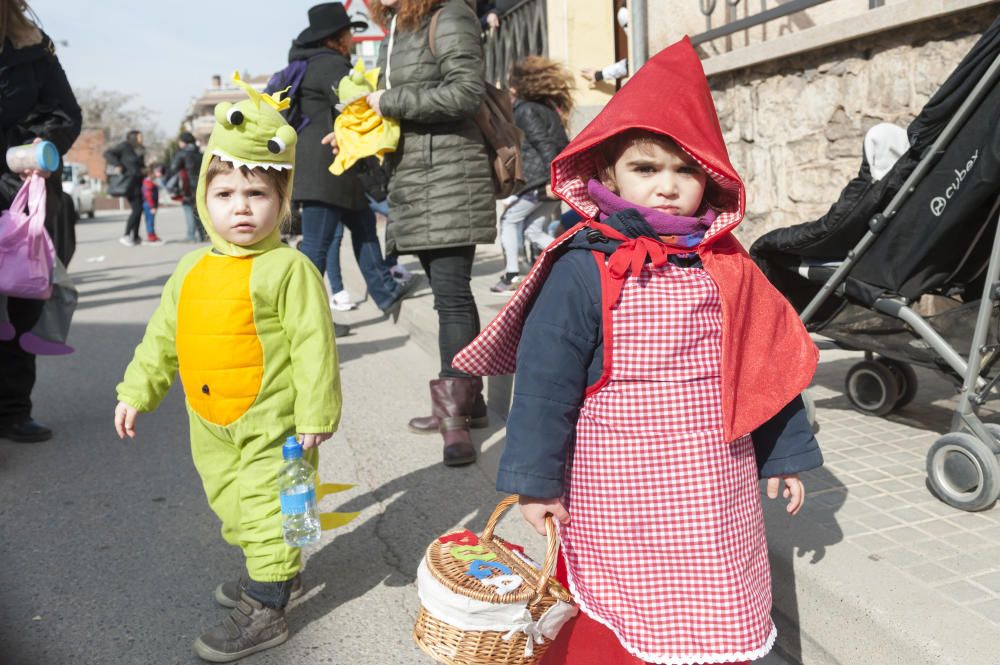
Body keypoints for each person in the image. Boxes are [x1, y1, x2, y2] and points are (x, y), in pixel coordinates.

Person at [452, 39, 822, 665]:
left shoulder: (727, 263)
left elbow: (763, 365)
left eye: (686, 170)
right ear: (607, 175)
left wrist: (782, 453)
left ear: (711, 177)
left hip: (713, 486)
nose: (669, 187)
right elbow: (546, 385)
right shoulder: (584, 264)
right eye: (646, 169)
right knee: (617, 615)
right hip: (615, 490)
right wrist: (536, 484)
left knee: (713, 604)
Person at [114, 81, 340, 661]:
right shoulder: (191, 267)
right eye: (225, 193)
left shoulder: (288, 268)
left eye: (257, 193)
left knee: (269, 505)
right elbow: (164, 335)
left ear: (281, 199)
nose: (240, 206)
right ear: (204, 200)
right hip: (210, 421)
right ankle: (276, 570)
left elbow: (314, 344)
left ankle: (267, 608)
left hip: (275, 424)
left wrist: (315, 411)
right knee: (232, 503)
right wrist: (137, 390)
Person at [362, 0, 496, 466]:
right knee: (450, 296)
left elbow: (465, 93)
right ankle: (470, 403)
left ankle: (453, 421)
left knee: (452, 296)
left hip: (448, 177)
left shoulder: (450, 15)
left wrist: (389, 102)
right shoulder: (400, 24)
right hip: (416, 179)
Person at [289, 3, 416, 316]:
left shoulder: (311, 64)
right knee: (317, 247)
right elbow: (354, 104)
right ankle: (298, 317)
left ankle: (385, 292)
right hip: (327, 167)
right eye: (348, 31)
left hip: (338, 168)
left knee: (364, 228)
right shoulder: (330, 65)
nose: (351, 37)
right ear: (337, 36)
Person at [0, 0, 81, 443]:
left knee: (18, 305)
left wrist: (40, 144)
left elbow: (66, 112)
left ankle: (13, 410)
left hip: (20, 195)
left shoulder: (33, 47)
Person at [491, 55, 573, 294]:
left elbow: (544, 145)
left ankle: (512, 276)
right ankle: (568, 262)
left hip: (541, 180)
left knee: (509, 220)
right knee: (532, 230)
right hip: (549, 178)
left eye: (511, 83)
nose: (509, 87)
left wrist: (552, 180)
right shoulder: (546, 108)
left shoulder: (526, 110)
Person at [104, 129, 146, 246]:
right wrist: (118, 164)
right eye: (139, 137)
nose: (142, 139)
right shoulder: (124, 147)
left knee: (139, 209)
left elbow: (139, 165)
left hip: (138, 182)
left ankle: (136, 236)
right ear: (133, 137)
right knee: (137, 209)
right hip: (129, 183)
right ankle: (126, 235)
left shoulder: (139, 149)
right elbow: (108, 153)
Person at [168, 131, 206, 242]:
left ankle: (191, 235)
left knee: (188, 208)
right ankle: (202, 235)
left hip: (186, 187)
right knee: (198, 210)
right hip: (200, 184)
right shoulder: (200, 153)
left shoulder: (182, 153)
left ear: (184, 142)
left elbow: (173, 168)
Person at [140, 164, 163, 244]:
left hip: (149, 204)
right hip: (149, 205)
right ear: (150, 174)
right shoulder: (148, 183)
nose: (155, 175)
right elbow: (148, 196)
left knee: (150, 220)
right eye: (154, 173)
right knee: (150, 221)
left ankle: (153, 235)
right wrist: (152, 206)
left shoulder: (148, 182)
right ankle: (151, 236)